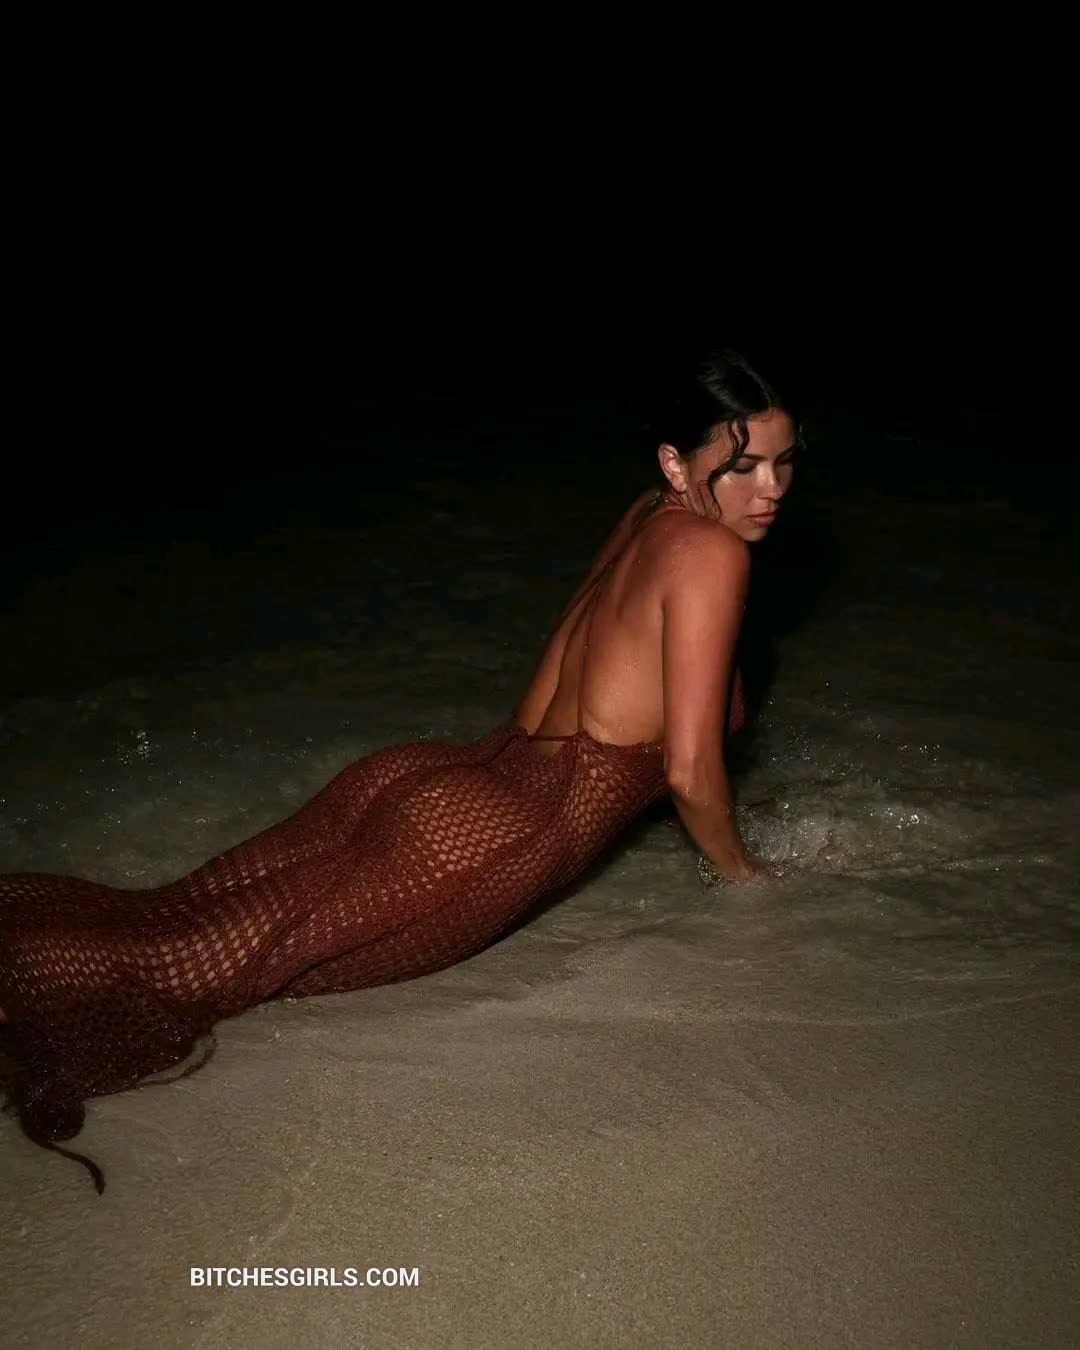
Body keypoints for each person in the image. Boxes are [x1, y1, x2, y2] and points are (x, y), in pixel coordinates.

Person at [0, 348, 798, 1190]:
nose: (770, 488)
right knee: (176, 971)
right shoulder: (712, 554)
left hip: (438, 778)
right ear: (676, 462)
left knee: (167, 919)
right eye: (743, 466)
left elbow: (570, 702)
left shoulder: (649, 517)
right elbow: (689, 771)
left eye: (785, 463)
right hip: (486, 841)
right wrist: (746, 879)